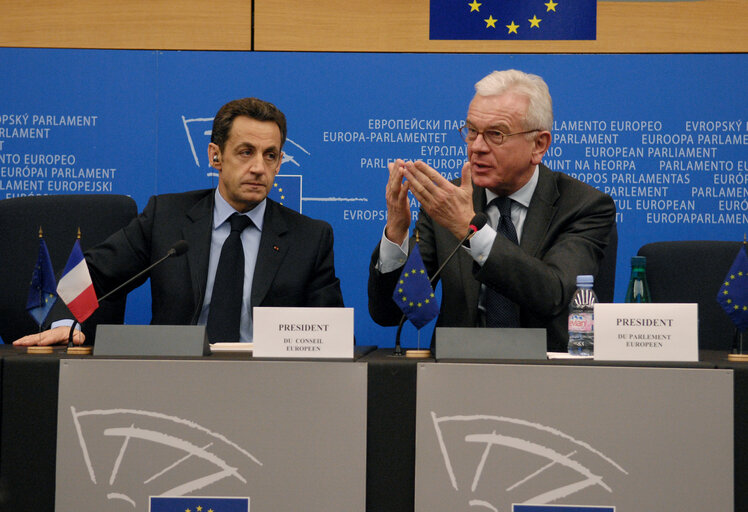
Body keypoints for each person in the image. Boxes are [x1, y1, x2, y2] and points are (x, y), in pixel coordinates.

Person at [14, 97, 344, 346]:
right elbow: (89, 277)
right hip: (171, 379)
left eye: (270, 155)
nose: (259, 167)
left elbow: (332, 339)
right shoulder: (167, 218)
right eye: (246, 152)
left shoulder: (309, 238)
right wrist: (64, 323)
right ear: (215, 155)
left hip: (272, 389)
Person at [368, 69, 615, 352]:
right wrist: (396, 234)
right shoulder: (448, 202)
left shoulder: (584, 206)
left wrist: (471, 230)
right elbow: (399, 311)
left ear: (539, 144)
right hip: (457, 375)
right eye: (472, 131)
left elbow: (554, 295)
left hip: (550, 379)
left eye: (496, 134)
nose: (477, 147)